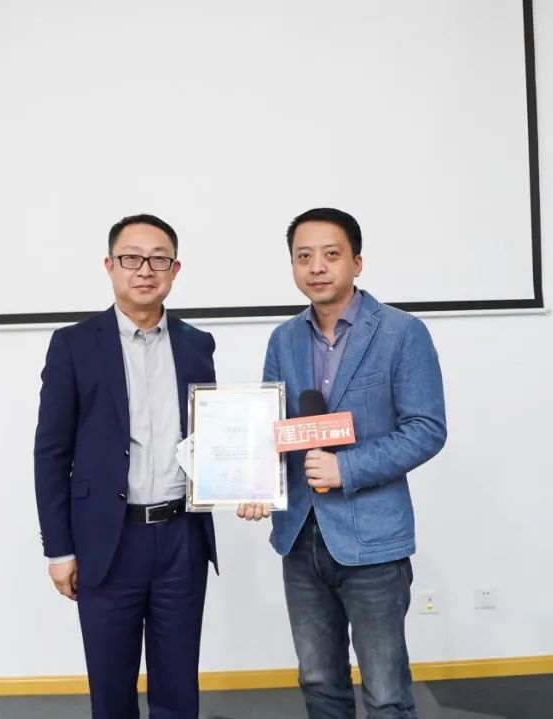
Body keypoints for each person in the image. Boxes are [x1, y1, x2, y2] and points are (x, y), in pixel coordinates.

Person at [239, 207, 446, 719]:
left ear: (357, 261)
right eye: (303, 256)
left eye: (331, 254)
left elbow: (426, 429)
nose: (317, 267)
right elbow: (272, 427)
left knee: (386, 689)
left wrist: (346, 469)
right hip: (299, 537)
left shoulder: (402, 332)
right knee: (318, 681)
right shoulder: (284, 338)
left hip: (373, 540)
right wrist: (252, 482)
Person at [34, 213, 218, 719]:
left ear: (175, 270)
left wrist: (246, 481)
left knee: (178, 685)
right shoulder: (73, 344)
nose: (145, 270)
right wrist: (59, 549)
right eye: (132, 258)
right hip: (108, 541)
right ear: (110, 265)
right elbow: (51, 452)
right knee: (111, 688)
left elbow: (213, 437)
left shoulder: (197, 344)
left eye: (158, 259)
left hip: (181, 536)